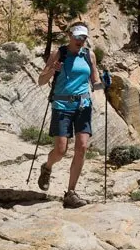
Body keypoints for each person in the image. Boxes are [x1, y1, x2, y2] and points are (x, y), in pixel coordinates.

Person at [37, 22, 102, 207]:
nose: (81, 41)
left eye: (84, 37)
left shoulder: (89, 55)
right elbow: (41, 81)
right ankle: (47, 167)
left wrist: (103, 83)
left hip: (83, 105)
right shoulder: (59, 53)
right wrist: (52, 69)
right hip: (61, 105)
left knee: (82, 147)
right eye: (78, 37)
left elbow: (94, 81)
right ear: (70, 36)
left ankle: (71, 192)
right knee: (60, 150)